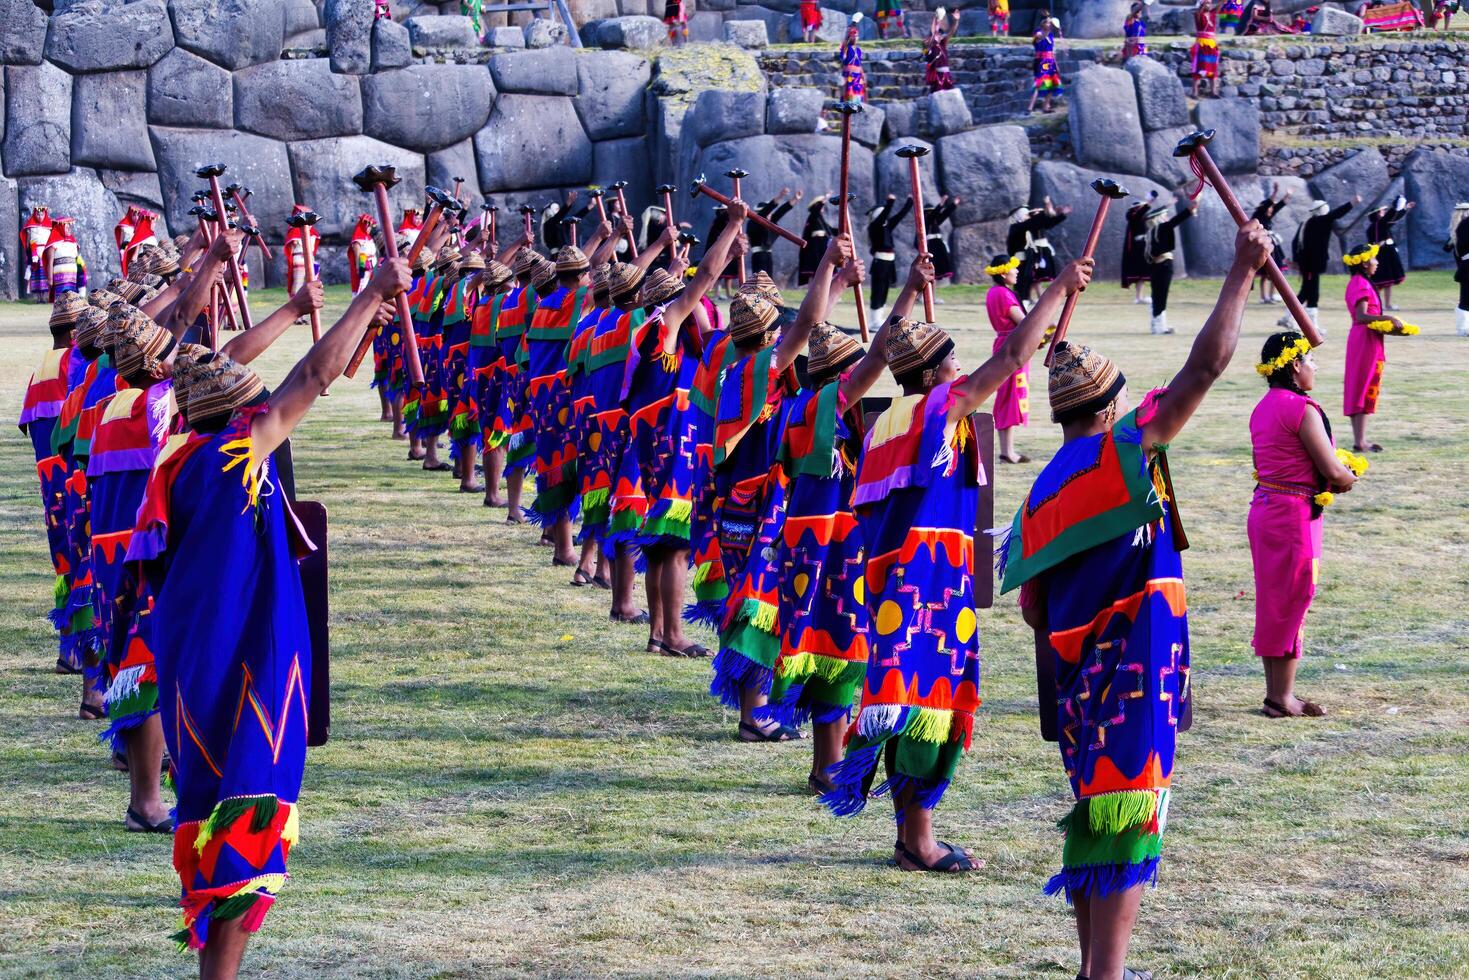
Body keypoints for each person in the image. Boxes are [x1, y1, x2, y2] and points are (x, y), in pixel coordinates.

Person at [1001, 222, 1273, 980]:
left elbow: (1033, 612)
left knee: (1099, 813)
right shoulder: (1119, 460)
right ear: (1111, 406)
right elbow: (1207, 366)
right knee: (1126, 817)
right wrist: (1242, 271)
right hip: (1130, 675)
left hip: (1081, 685)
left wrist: (1055, 710)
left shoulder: (1043, 491)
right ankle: (1106, 976)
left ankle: (1098, 967)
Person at [124, 256, 408, 976]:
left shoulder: (179, 460)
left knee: (222, 819)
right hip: (241, 668)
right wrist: (370, 290)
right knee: (246, 825)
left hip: (200, 664)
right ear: (237, 413)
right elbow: (312, 380)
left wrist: (363, 315)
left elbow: (312, 375)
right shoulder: (233, 457)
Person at [821, 255, 1095, 873]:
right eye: (951, 361)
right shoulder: (938, 411)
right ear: (936, 376)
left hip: (896, 581)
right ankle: (917, 840)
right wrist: (1057, 289)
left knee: (910, 701)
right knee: (925, 706)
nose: (961, 369)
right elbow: (1012, 361)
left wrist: (912, 295)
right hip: (929, 587)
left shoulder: (883, 422)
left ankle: (910, 833)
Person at [771, 254, 932, 788]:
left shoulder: (799, 405)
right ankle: (827, 767)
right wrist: (907, 292)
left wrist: (838, 280)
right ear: (840, 377)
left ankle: (827, 761)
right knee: (839, 647)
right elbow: (882, 355)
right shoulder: (821, 406)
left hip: (810, 544)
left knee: (829, 647)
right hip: (828, 548)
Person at [707, 235, 856, 741]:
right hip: (755, 506)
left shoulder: (741, 370)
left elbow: (806, 324)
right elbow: (809, 325)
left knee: (759, 599)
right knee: (758, 601)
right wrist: (827, 266)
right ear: (768, 337)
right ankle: (753, 716)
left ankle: (758, 706)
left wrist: (838, 282)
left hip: (740, 505)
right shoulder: (757, 371)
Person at [609, 200, 748, 658]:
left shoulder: (659, 336)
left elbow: (708, 307)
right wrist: (729, 227)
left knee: (661, 546)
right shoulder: (661, 327)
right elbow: (703, 279)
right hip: (671, 452)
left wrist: (730, 253)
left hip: (660, 449)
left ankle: (657, 634)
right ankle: (672, 635)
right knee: (675, 549)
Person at [1248, 332, 1360, 720]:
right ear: (1295, 365)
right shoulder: (1301, 408)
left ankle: (1275, 693)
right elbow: (1330, 469)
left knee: (1274, 599)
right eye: (1310, 361)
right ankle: (1282, 698)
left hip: (1266, 507)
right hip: (1293, 514)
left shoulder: (1263, 406)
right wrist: (1348, 476)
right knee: (1294, 598)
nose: (1314, 367)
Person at [19, 293, 85, 674]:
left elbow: (31, 426)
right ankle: (77, 649)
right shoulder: (76, 363)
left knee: (64, 561)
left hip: (50, 486)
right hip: (73, 479)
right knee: (83, 559)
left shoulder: (39, 369)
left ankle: (67, 649)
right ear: (76, 333)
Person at [1342, 242, 1408, 453]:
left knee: (1367, 386)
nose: (1377, 262)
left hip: (1370, 340)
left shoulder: (1363, 282)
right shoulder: (1360, 283)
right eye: (1373, 259)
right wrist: (1387, 316)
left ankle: (1361, 440)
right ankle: (1360, 441)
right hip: (1364, 341)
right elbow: (1361, 316)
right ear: (1363, 263)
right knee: (1361, 387)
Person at [984, 253, 1034, 463]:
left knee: (1005, 396)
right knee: (1011, 397)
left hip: (1003, 345)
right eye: (1014, 268)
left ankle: (1007, 451)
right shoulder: (1004, 294)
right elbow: (1023, 321)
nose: (1017, 271)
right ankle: (1008, 451)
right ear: (1004, 273)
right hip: (1012, 347)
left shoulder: (993, 292)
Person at [1290, 197, 1357, 334]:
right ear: (1320, 210)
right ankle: (1311, 326)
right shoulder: (1321, 221)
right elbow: (1337, 213)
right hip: (1311, 264)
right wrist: (1352, 203)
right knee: (1312, 294)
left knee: (1306, 291)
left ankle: (1289, 317)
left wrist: (1297, 261)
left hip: (1307, 264)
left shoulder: (1307, 222)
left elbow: (1294, 242)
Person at [1145, 196, 1197, 336]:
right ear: (1159, 218)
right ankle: (1160, 327)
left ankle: (1156, 325)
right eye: (1164, 215)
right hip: (1164, 265)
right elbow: (1175, 221)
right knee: (1162, 296)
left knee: (1156, 295)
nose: (1166, 217)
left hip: (1155, 266)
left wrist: (1167, 204)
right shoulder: (1161, 228)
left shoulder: (1151, 231)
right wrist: (1189, 210)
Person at [1008, 199, 1070, 302]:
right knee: (1022, 283)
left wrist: (1060, 215)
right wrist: (1046, 208)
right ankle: (1023, 301)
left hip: (1029, 258)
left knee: (1030, 281)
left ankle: (1027, 300)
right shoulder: (1018, 226)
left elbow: (1045, 223)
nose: (1029, 216)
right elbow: (1036, 221)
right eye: (1026, 215)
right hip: (1020, 259)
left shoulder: (1025, 226)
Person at [866, 195, 914, 315]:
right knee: (878, 290)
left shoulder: (887, 226)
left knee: (885, 290)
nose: (885, 216)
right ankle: (874, 320)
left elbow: (900, 215)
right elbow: (883, 217)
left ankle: (878, 318)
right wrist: (890, 203)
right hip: (880, 261)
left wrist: (910, 201)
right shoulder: (874, 226)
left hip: (889, 261)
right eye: (883, 214)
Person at [1366, 197, 1414, 311]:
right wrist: (1396, 207)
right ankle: (1370, 303)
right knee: (1381, 282)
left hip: (1388, 252)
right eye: (1381, 211)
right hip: (1382, 255)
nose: (1383, 212)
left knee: (1388, 282)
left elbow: (1394, 218)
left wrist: (1405, 208)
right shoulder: (1377, 224)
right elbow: (1390, 215)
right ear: (1377, 214)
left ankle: (1387, 305)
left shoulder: (1382, 224)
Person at [1249, 182, 1292, 305]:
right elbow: (1268, 204)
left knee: (1276, 273)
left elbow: (1279, 206)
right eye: (1269, 208)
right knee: (1264, 274)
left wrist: (1287, 195)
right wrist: (1275, 192)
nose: (1271, 210)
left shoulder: (1268, 217)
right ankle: (1263, 297)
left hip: (1272, 246)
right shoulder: (1258, 215)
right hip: (1263, 246)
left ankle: (1272, 295)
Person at [749, 190, 797, 280]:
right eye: (768, 212)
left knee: (769, 281)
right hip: (758, 256)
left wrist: (795, 199)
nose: (770, 214)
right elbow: (766, 211)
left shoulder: (769, 221)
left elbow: (781, 211)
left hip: (768, 254)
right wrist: (780, 196)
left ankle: (768, 295)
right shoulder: (754, 222)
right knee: (759, 281)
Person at [1120, 196, 1155, 305]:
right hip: (1135, 251)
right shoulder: (1132, 216)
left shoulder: (1143, 219)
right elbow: (1140, 214)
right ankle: (1138, 297)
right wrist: (1148, 203)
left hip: (1143, 248)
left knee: (1143, 275)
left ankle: (1140, 297)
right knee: (1139, 274)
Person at [283, 204, 321, 303]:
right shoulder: (294, 230)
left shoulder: (313, 232)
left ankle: (305, 312)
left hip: (310, 259)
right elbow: (291, 247)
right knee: (298, 284)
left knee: (311, 284)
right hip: (299, 258)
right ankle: (295, 311)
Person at [44, 217, 88, 300]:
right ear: (60, 227)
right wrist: (50, 279)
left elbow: (77, 259)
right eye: (66, 227)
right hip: (60, 275)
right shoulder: (53, 243)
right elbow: (50, 262)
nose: (69, 229)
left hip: (72, 275)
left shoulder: (72, 241)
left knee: (72, 297)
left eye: (69, 227)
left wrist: (82, 272)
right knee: (62, 297)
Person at [1028, 14, 1064, 113]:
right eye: (1048, 22)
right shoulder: (1038, 33)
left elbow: (1052, 51)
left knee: (1052, 84)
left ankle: (1045, 106)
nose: (1050, 24)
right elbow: (1039, 37)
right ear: (1043, 24)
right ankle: (1030, 108)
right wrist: (1047, 27)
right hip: (1041, 62)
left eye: (1050, 23)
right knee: (1039, 84)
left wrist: (1056, 65)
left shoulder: (1051, 36)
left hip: (1050, 62)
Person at [923, 196, 960, 286]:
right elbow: (933, 215)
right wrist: (940, 204)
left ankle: (940, 274)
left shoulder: (935, 220)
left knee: (943, 258)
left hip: (938, 241)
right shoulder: (926, 221)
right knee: (933, 263)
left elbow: (945, 214)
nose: (931, 213)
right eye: (929, 212)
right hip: (931, 243)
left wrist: (954, 204)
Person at [799, 195, 834, 285]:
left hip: (823, 245)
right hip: (815, 246)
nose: (822, 208)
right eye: (820, 205)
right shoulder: (812, 216)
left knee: (826, 269)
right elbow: (816, 211)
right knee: (814, 269)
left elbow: (830, 229)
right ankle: (811, 290)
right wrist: (825, 198)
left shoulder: (820, 218)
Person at [924, 7, 960, 93]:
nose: (940, 36)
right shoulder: (928, 45)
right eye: (938, 34)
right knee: (937, 94)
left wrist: (956, 21)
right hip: (936, 75)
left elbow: (951, 32)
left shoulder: (943, 43)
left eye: (940, 34)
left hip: (946, 74)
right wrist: (937, 19)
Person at [22, 205, 53, 302]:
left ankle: (44, 296)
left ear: (45, 215)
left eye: (42, 214)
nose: (40, 216)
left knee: (45, 274)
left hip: (45, 253)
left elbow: (51, 241)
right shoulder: (30, 227)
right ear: (35, 214)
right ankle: (38, 297)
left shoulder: (49, 227)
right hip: (35, 253)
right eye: (38, 214)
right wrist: (28, 253)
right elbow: (27, 242)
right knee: (36, 275)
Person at [1447, 201, 1469, 337]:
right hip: (1467, 267)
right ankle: (1463, 328)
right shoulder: (1464, 226)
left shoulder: (1459, 228)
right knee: (1466, 300)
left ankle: (1463, 328)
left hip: (1465, 267)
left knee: (1466, 299)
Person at [1191, 0, 1221, 99]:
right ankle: (1195, 92)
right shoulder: (1198, 15)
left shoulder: (1212, 14)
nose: (1209, 5)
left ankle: (1213, 92)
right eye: (1207, 3)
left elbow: (1220, 4)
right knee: (1199, 68)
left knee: (1213, 69)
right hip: (1202, 45)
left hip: (1212, 46)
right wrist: (1203, 4)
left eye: (1210, 3)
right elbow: (1199, 11)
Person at [840, 20, 866, 102]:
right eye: (853, 36)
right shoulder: (846, 47)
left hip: (858, 76)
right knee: (848, 98)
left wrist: (863, 74)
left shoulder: (859, 50)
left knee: (858, 97)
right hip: (848, 75)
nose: (855, 37)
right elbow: (843, 58)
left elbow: (859, 64)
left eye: (857, 36)